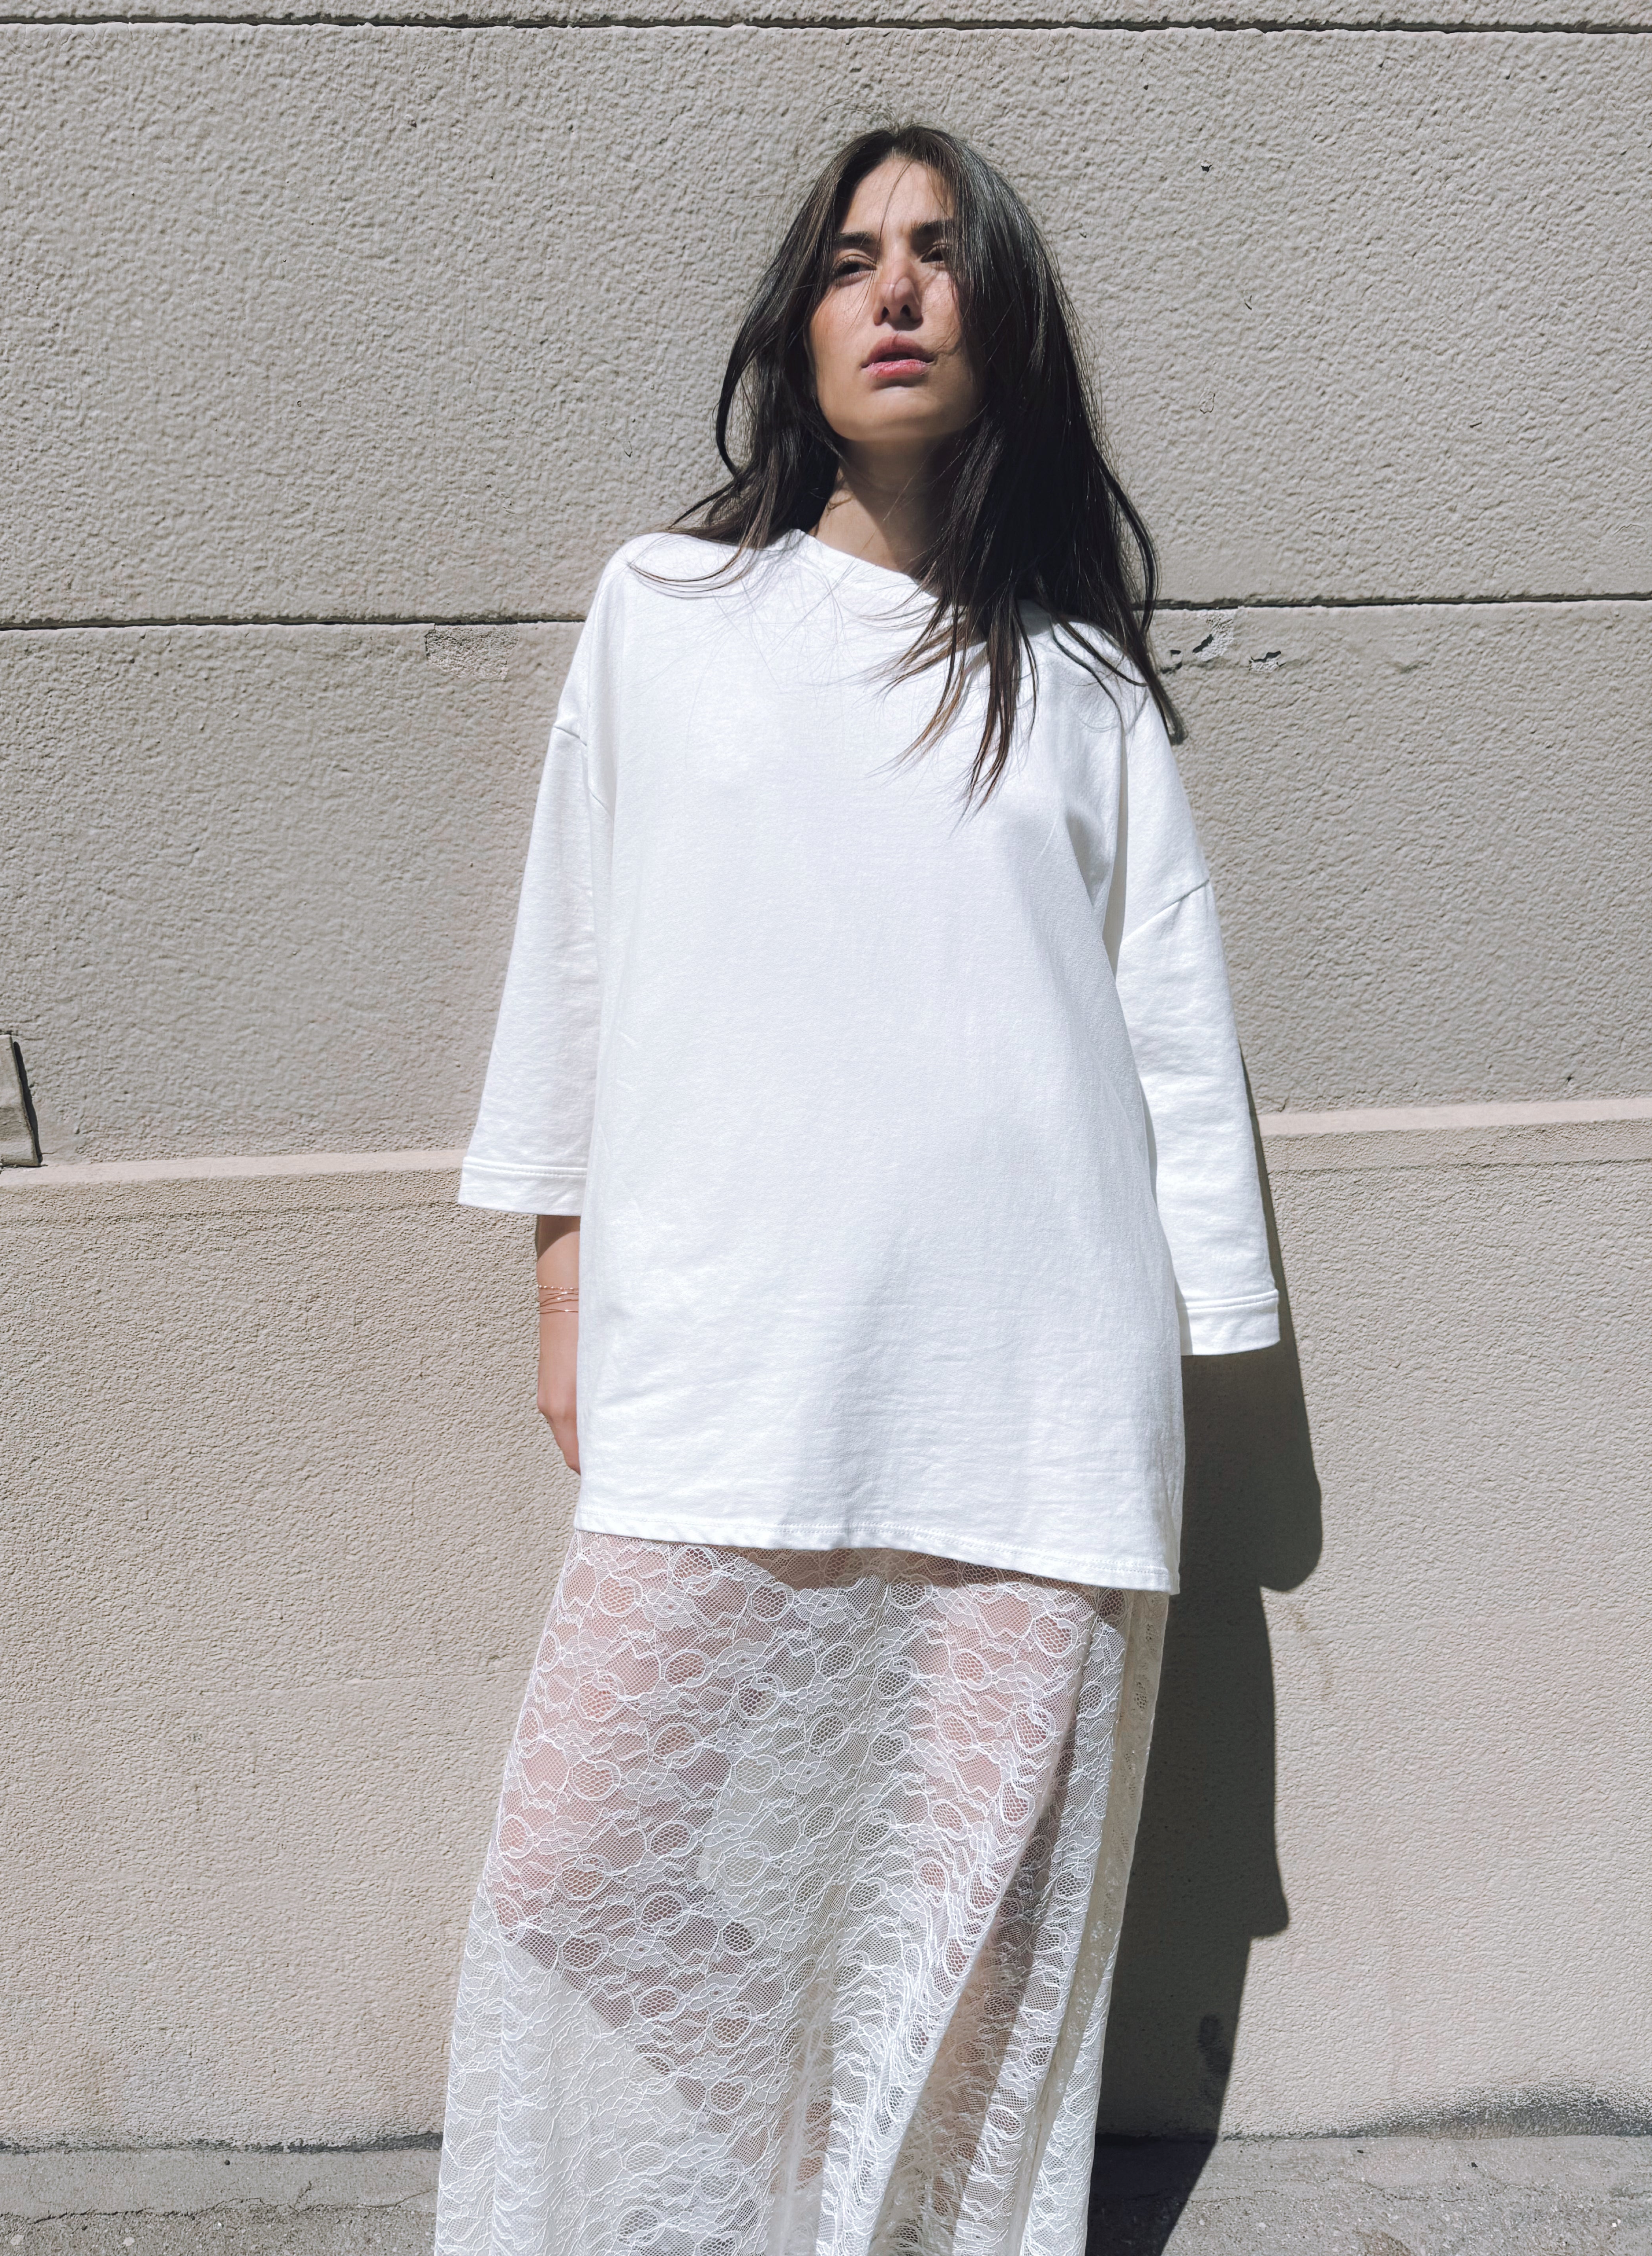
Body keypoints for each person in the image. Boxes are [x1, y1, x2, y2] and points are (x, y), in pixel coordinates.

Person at [434, 123, 1278, 2256]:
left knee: (970, 1951)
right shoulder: (669, 613)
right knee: (577, 1861)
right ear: (795, 328)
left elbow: (1171, 1039)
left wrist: (1195, 1355)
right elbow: (578, 954)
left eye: (937, 254)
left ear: (1003, 326)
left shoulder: (1082, 687)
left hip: (1039, 1393)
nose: (893, 289)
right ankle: (809, 2185)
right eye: (848, 259)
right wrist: (563, 1280)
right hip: (737, 1356)